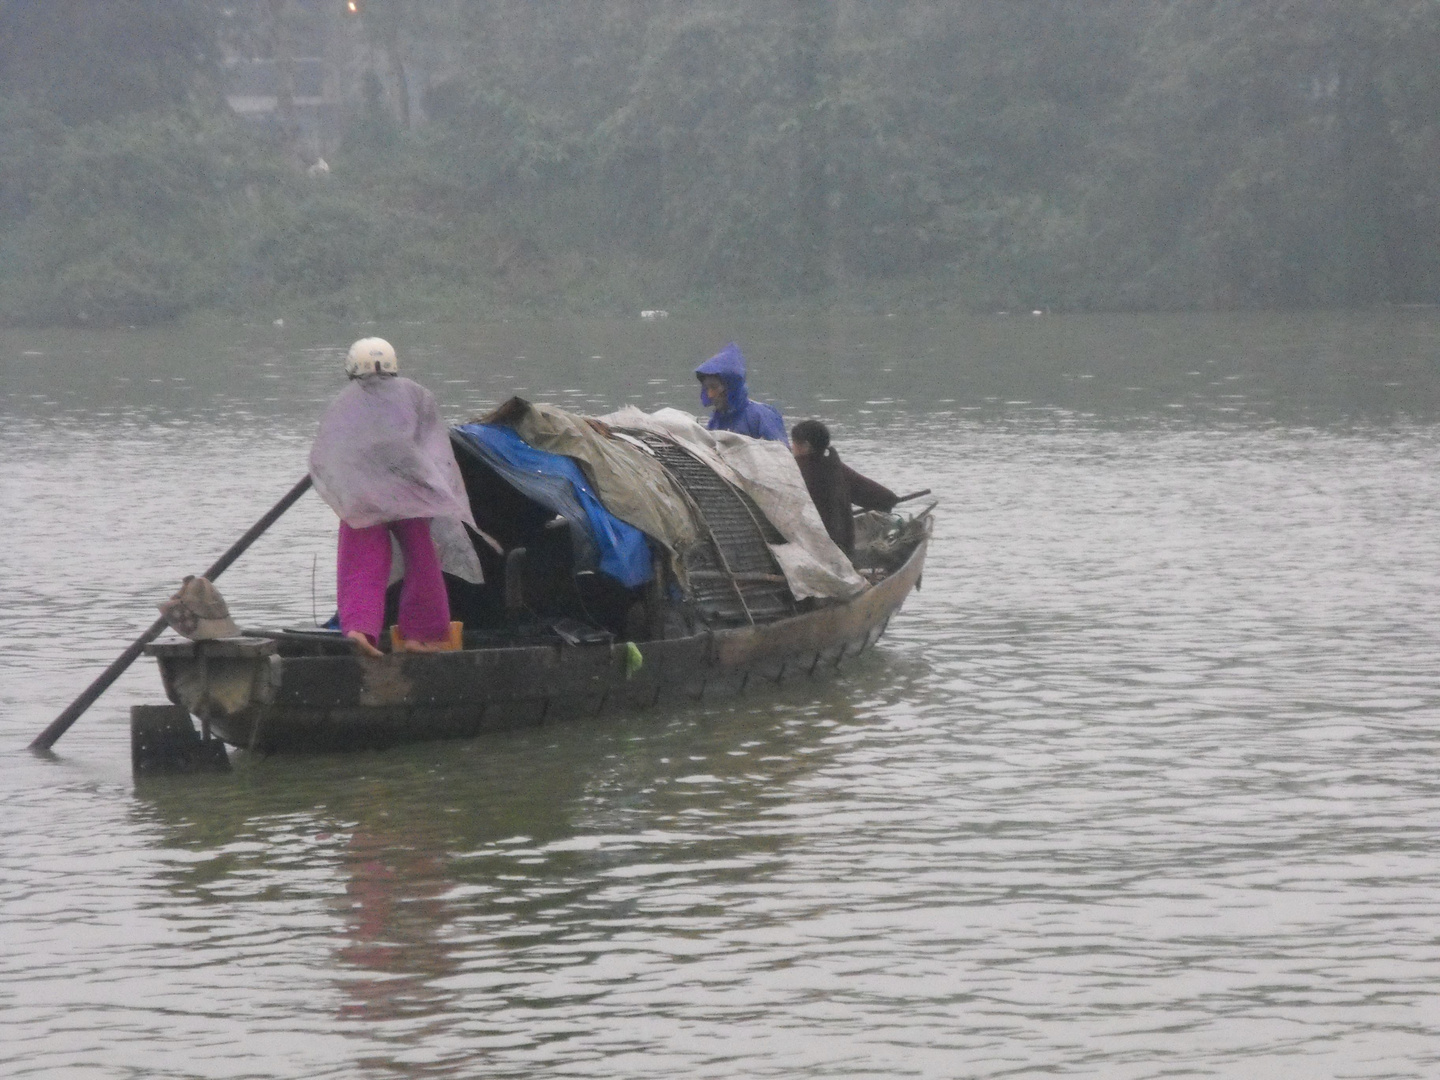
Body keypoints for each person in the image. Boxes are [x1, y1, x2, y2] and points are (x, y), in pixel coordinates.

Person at [308, 337, 475, 658]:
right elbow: (433, 445)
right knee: (422, 555)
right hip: (409, 491)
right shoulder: (417, 395)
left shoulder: (345, 402)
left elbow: (329, 453)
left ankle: (359, 629)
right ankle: (420, 636)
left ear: (353, 369)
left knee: (363, 558)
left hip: (364, 494)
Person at [790, 418, 899, 559]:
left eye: (793, 443)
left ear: (805, 446)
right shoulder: (835, 467)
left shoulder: (794, 470)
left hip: (810, 549)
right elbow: (882, 497)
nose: (792, 447)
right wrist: (891, 501)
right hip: (844, 548)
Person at [693, 342, 788, 442]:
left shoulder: (761, 416)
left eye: (714, 387)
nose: (710, 394)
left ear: (731, 386)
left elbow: (781, 452)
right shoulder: (716, 420)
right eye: (706, 388)